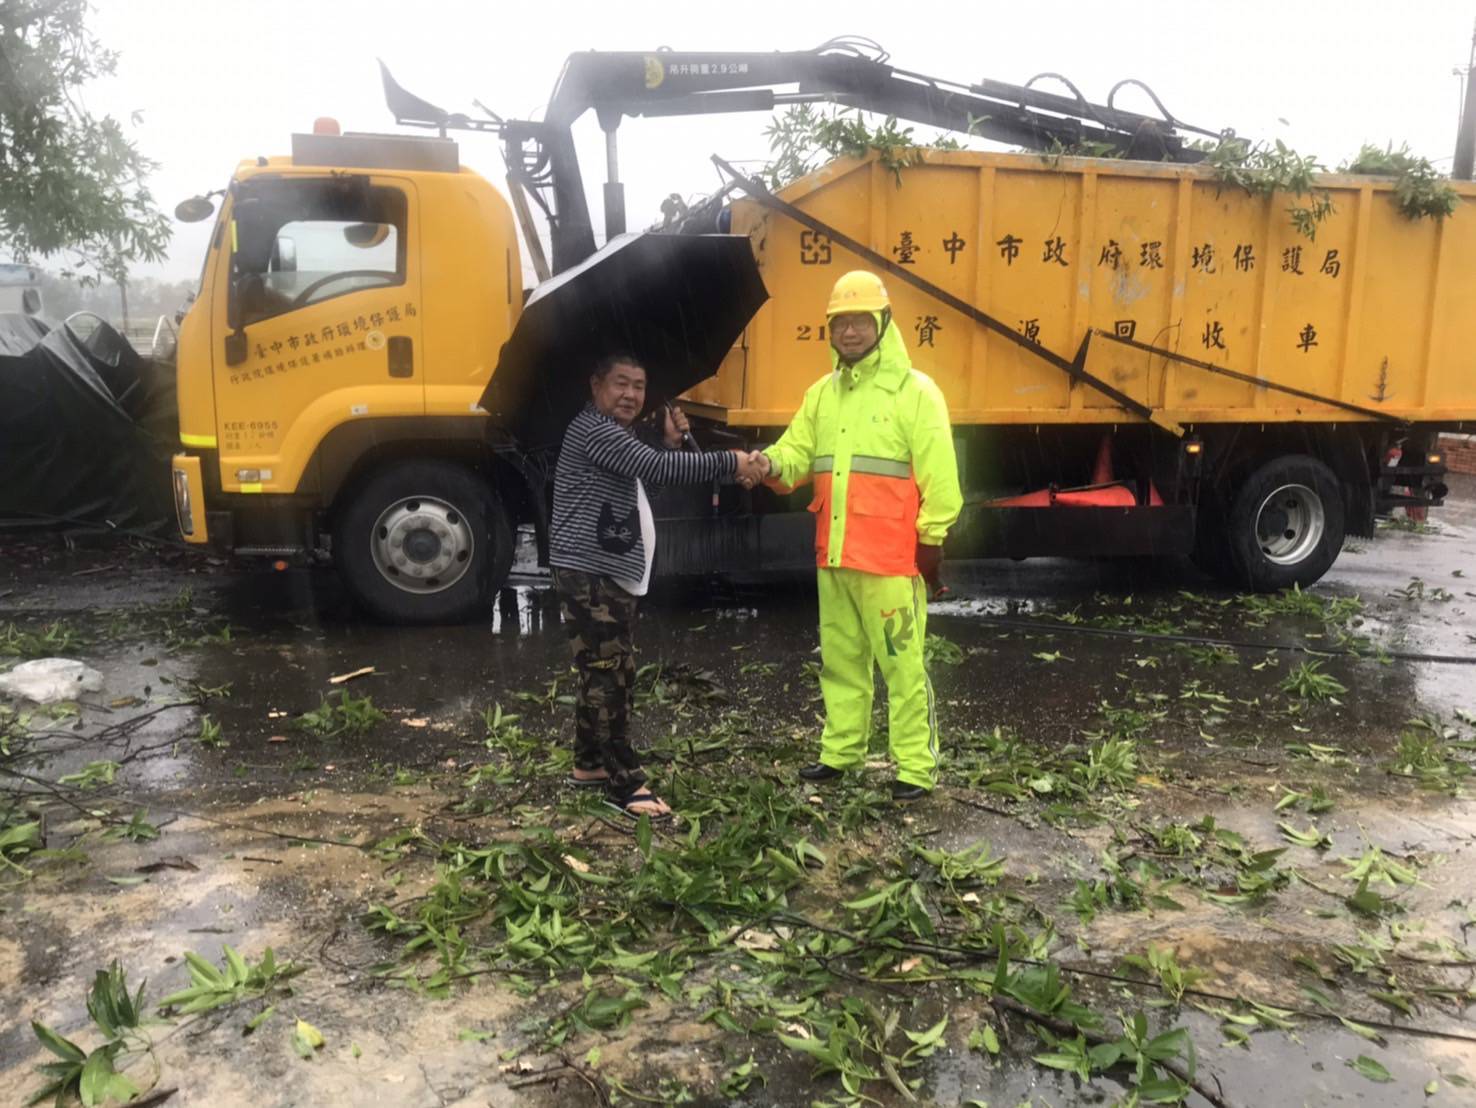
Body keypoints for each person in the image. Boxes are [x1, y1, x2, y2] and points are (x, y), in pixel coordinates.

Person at [749, 271, 962, 801]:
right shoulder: (821, 395)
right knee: (841, 663)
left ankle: (915, 766)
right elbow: (796, 455)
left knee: (902, 666)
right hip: (836, 555)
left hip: (891, 561)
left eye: (860, 320)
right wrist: (764, 463)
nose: (849, 331)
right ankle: (842, 754)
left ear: (883, 323)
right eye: (840, 322)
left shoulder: (916, 393)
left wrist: (932, 538)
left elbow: (942, 477)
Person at [551, 353, 766, 820]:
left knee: (608, 669)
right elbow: (659, 470)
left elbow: (650, 479)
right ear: (596, 385)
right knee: (610, 674)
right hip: (590, 573)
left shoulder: (615, 433)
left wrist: (668, 442)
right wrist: (732, 461)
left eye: (640, 386)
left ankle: (589, 763)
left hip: (607, 569)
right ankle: (625, 783)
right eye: (620, 384)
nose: (631, 394)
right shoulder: (595, 430)